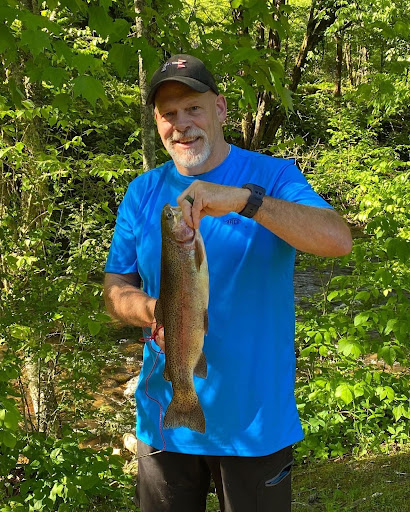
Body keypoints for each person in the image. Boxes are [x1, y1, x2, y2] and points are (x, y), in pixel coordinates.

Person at [104, 54, 352, 512]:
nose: (181, 124)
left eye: (192, 108)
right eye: (168, 114)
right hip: (164, 418)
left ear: (219, 108)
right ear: (157, 123)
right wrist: (153, 309)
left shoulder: (273, 176)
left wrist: (244, 201)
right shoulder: (142, 192)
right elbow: (116, 285)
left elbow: (338, 240)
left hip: (254, 425)